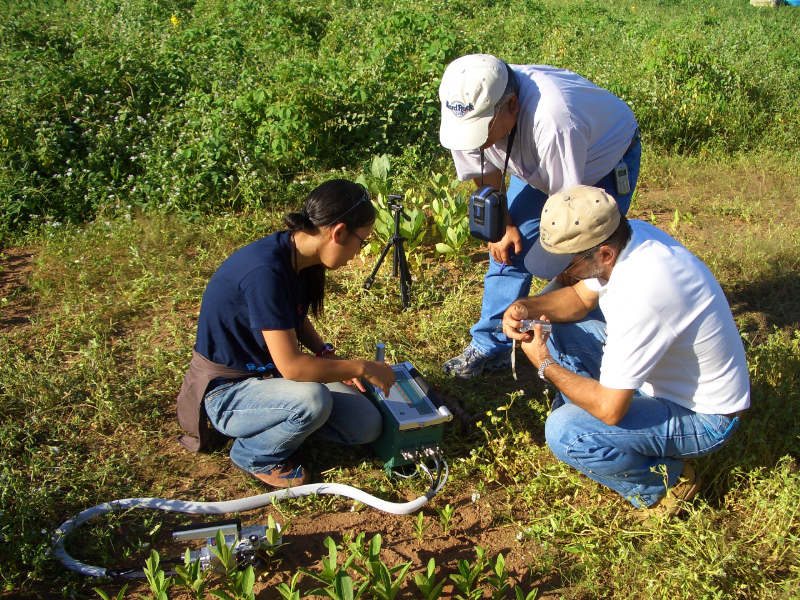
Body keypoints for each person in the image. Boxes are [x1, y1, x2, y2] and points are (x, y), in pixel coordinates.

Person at [501, 185, 750, 518]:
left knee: (564, 433)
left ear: (603, 254)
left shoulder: (642, 294)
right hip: (663, 382)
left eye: (569, 265)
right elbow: (577, 300)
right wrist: (524, 306)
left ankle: (665, 484)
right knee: (556, 326)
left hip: (705, 417)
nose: (566, 275)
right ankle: (602, 436)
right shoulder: (631, 238)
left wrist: (544, 364)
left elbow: (610, 408)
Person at [176, 180, 395, 488]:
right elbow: (292, 368)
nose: (359, 253)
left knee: (366, 425)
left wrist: (325, 354)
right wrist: (360, 366)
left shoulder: (301, 257)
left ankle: (287, 423)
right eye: (363, 241)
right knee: (312, 400)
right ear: (339, 232)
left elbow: (292, 317)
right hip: (228, 392)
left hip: (270, 380)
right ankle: (254, 454)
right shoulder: (265, 272)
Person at [438, 53, 642, 378]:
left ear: (512, 105)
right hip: (532, 156)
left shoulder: (554, 121)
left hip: (600, 160)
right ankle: (492, 345)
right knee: (508, 250)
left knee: (586, 263)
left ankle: (593, 344)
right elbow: (485, 171)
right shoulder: (462, 110)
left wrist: (568, 261)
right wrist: (504, 226)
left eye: (481, 132)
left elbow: (568, 212)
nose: (473, 142)